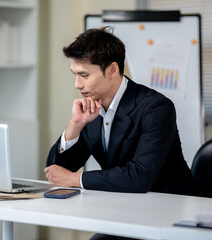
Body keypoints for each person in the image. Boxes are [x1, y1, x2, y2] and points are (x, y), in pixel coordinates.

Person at [44, 27, 195, 196]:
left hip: (169, 204)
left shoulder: (156, 108)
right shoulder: (91, 108)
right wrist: (75, 125)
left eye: (84, 75)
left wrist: (75, 179)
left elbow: (140, 176)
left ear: (113, 70)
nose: (77, 84)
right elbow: (55, 171)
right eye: (75, 75)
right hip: (121, 203)